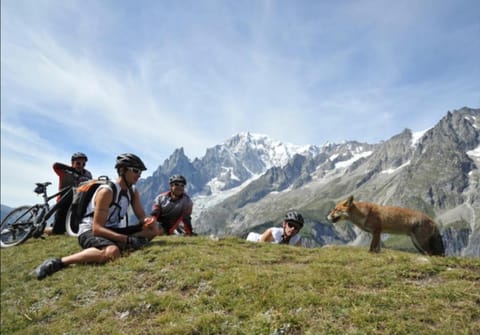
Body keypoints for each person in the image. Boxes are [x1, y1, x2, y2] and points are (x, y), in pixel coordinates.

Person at [35, 153, 160, 280]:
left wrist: (148, 220)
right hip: (90, 231)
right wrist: (127, 239)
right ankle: (58, 262)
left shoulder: (133, 191)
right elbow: (97, 229)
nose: (139, 175)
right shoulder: (107, 192)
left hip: (112, 229)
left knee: (154, 229)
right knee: (112, 252)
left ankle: (120, 245)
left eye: (140, 172)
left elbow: (141, 216)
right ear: (122, 170)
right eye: (136, 170)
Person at [44, 152, 93, 235]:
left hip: (78, 201)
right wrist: (72, 170)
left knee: (74, 226)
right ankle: (42, 229)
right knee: (57, 231)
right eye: (78, 163)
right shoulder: (65, 171)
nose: (81, 165)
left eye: (83, 164)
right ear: (72, 163)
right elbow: (55, 165)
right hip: (63, 201)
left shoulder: (88, 174)